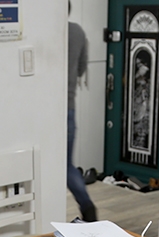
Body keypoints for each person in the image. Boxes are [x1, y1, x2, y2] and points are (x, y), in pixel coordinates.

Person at [67, 4, 97, 222]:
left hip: (50, 111)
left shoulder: (51, 34)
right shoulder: (77, 32)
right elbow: (81, 69)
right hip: (69, 106)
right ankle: (87, 206)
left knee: (58, 165)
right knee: (65, 164)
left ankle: (87, 208)